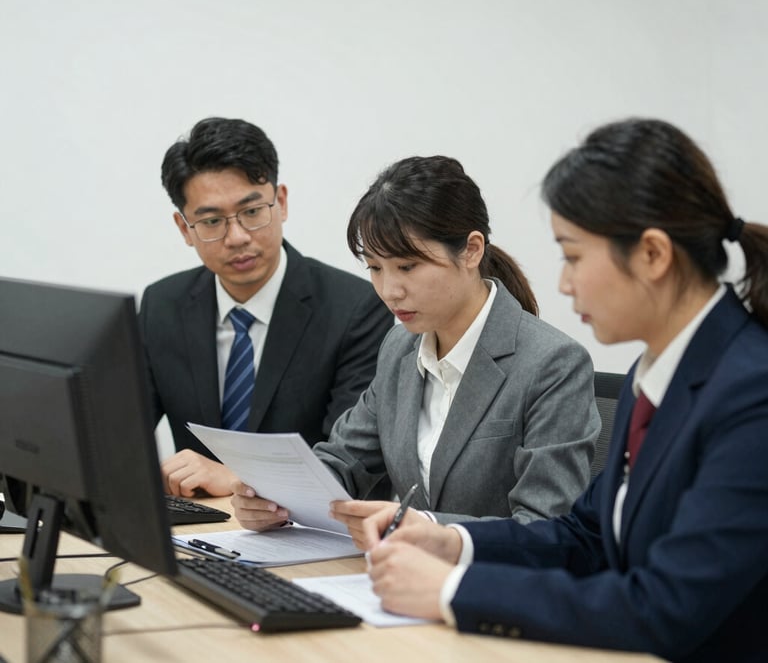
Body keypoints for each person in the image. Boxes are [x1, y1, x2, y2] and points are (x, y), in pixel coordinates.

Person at [362, 119, 768, 663]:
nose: (563, 283)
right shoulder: (659, 373)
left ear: (652, 254)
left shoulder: (750, 393)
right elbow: (586, 537)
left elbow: (666, 607)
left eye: (574, 256)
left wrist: (452, 591)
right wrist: (453, 542)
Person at [232, 155, 600, 539]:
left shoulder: (553, 364)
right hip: (401, 581)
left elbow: (547, 526)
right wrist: (272, 497)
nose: (390, 290)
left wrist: (427, 528)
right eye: (375, 268)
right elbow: (345, 461)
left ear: (472, 250)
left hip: (493, 587)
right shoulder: (400, 348)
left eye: (407, 267)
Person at [138, 117, 393, 497]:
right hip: (198, 533)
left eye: (253, 212)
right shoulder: (163, 304)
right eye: (211, 221)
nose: (238, 237)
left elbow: (354, 463)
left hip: (305, 535)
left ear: (282, 202)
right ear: (183, 227)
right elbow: (119, 432)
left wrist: (239, 480)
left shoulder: (356, 309)